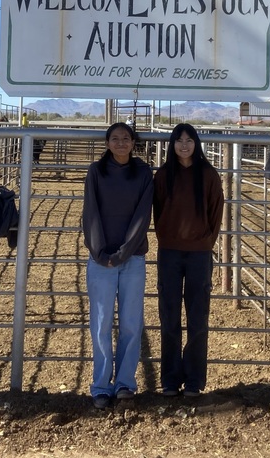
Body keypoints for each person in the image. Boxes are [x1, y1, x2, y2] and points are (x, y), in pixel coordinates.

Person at [81, 122, 154, 409]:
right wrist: (100, 252)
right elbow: (90, 212)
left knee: (131, 324)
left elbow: (142, 215)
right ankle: (101, 386)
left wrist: (124, 252)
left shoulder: (144, 173)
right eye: (115, 138)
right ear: (107, 143)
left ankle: (125, 384)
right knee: (100, 325)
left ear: (133, 142)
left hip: (133, 259)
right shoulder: (96, 172)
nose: (121, 142)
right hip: (101, 260)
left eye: (126, 138)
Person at [152, 123, 224, 397]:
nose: (184, 145)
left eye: (189, 139)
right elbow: (157, 209)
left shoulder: (208, 175)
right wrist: (166, 237)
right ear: (172, 144)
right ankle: (170, 379)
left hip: (199, 254)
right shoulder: (163, 175)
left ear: (196, 143)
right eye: (179, 140)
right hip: (169, 252)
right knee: (168, 316)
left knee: (197, 316)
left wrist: (205, 242)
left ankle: (194, 379)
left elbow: (216, 212)